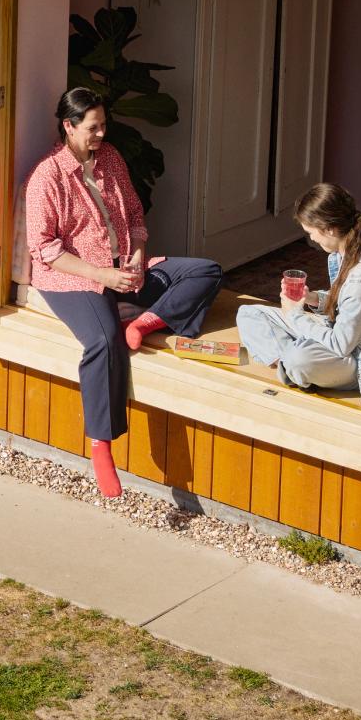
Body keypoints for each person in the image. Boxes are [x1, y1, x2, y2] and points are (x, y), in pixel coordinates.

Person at [24, 88, 224, 498]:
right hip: (74, 278)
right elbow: (45, 250)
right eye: (93, 128)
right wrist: (102, 274)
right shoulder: (46, 177)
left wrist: (135, 259)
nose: (101, 134)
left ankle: (146, 322)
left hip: (125, 272)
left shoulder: (111, 157)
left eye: (103, 126)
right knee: (102, 340)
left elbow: (133, 213)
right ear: (69, 126)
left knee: (206, 272)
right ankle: (102, 444)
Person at [238, 183, 361, 400]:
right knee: (249, 314)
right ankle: (296, 364)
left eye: (311, 232)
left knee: (299, 358)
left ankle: (296, 363)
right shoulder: (347, 251)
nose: (311, 238)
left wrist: (295, 316)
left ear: (329, 228)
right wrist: (312, 298)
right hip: (347, 337)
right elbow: (344, 305)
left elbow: (341, 344)